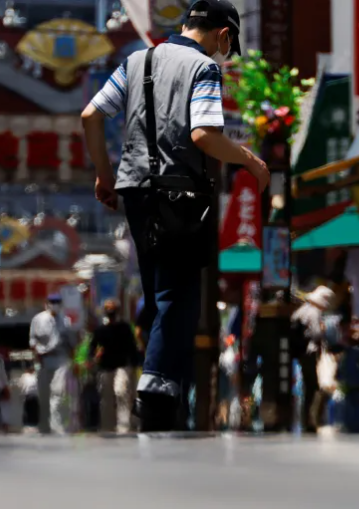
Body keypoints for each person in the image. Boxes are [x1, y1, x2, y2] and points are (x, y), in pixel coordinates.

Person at [81, 0, 269, 431]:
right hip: (180, 194)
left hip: (134, 191)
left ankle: (160, 389)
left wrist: (105, 176)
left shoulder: (136, 60)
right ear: (223, 35)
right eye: (228, 46)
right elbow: (203, 134)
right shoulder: (203, 69)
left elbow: (91, 114)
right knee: (178, 296)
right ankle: (158, 389)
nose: (224, 54)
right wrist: (251, 161)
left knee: (157, 288)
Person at [29, 294, 77, 434]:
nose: (55, 304)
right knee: (43, 394)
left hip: (60, 359)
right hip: (44, 359)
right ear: (47, 303)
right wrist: (37, 358)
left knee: (58, 392)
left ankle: (57, 426)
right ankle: (44, 426)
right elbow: (33, 341)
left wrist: (73, 362)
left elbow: (71, 343)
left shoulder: (65, 321)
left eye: (57, 302)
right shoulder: (38, 319)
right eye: (52, 302)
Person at [89, 299, 139, 433]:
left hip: (122, 366)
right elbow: (92, 347)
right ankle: (107, 426)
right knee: (106, 397)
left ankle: (124, 424)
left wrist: (134, 364)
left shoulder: (124, 327)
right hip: (106, 367)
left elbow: (132, 347)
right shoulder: (101, 329)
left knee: (121, 392)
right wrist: (93, 358)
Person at [291, 285, 335, 433]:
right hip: (310, 353)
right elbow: (316, 333)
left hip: (301, 353)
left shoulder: (301, 310)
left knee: (307, 385)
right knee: (313, 387)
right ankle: (310, 420)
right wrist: (323, 332)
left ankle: (305, 419)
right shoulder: (314, 312)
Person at [18, 364, 39, 429]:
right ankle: (34, 422)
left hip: (28, 395)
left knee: (27, 409)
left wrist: (21, 393)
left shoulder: (24, 376)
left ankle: (28, 422)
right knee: (34, 410)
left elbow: (20, 385)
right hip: (35, 395)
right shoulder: (35, 375)